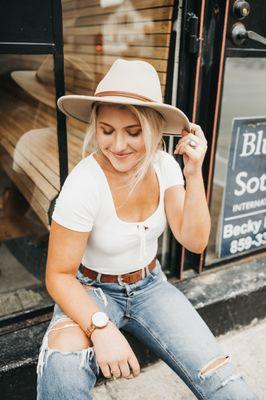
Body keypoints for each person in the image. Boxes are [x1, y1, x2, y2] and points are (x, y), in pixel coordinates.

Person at [36, 59, 258, 399]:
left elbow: (195, 241)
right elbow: (59, 276)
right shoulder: (83, 183)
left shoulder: (164, 165)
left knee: (223, 381)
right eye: (107, 130)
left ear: (153, 129)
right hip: (91, 288)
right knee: (63, 365)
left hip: (150, 286)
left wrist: (194, 172)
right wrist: (101, 328)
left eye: (134, 132)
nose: (119, 145)